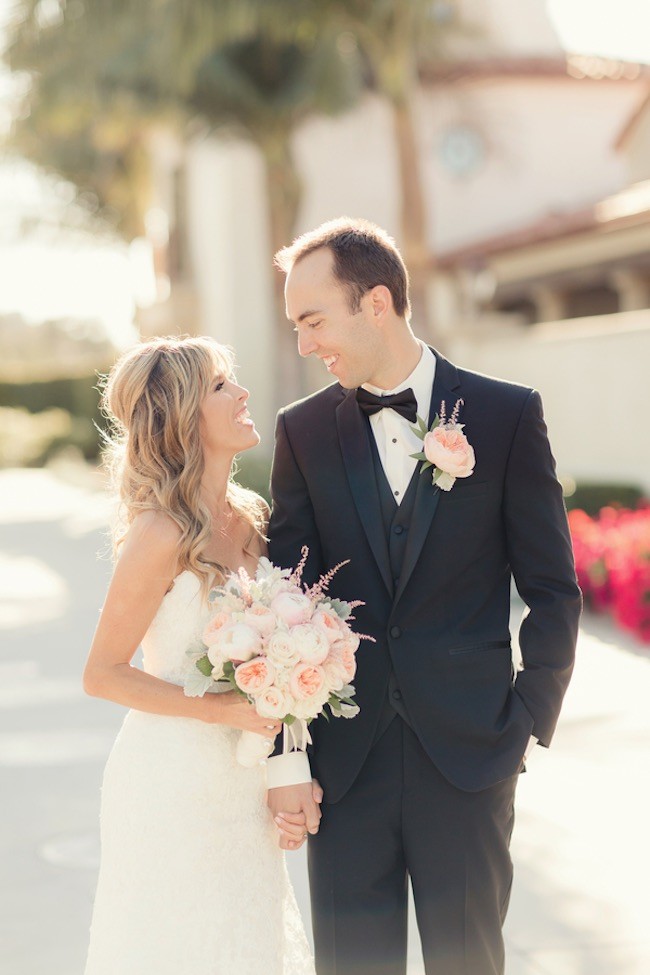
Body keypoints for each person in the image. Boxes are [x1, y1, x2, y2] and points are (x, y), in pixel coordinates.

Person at [266, 218, 582, 975]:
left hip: (472, 758)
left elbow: (551, 587)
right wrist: (288, 757)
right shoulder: (301, 432)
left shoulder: (506, 415)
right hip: (345, 768)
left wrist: (526, 719)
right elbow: (283, 606)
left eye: (313, 321)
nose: (305, 345)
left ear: (377, 302)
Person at [82, 336, 316, 975]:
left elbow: (282, 666)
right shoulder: (159, 533)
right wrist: (223, 712)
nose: (242, 394)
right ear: (182, 415)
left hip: (243, 784)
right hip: (173, 784)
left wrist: (287, 771)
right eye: (220, 385)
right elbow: (101, 674)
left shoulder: (252, 517)